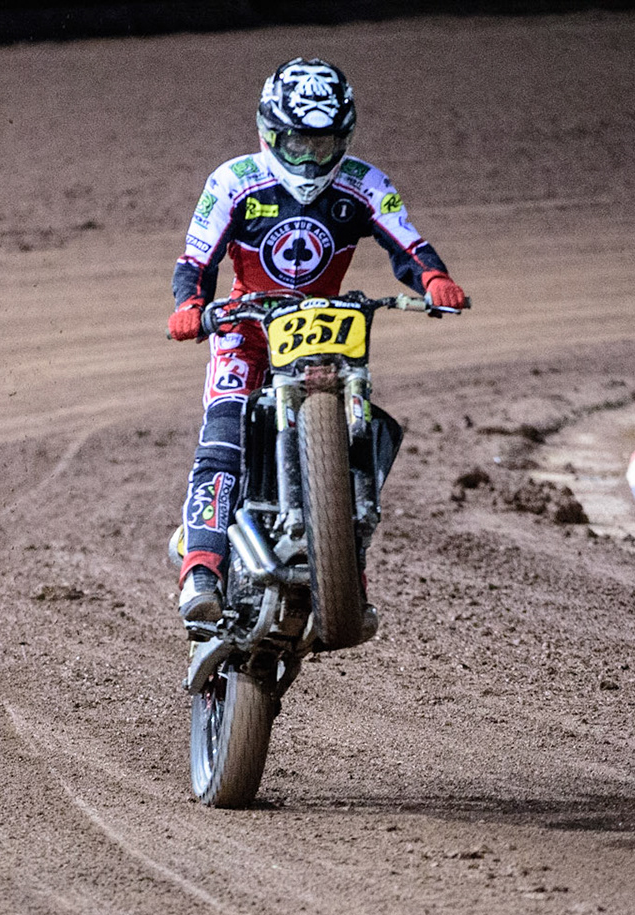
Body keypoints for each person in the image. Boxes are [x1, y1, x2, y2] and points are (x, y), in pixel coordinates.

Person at [166, 58, 467, 624]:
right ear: (269, 133)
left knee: (365, 431)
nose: (309, 159)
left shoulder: (365, 182)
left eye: (323, 145)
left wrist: (433, 279)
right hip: (246, 331)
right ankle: (202, 566)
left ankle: (349, 569)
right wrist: (190, 306)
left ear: (343, 138)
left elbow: (407, 242)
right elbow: (195, 259)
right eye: (297, 143)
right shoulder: (233, 181)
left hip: (326, 329)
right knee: (223, 437)